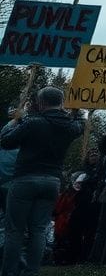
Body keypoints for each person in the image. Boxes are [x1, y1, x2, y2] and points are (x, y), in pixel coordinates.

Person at [0, 87, 85, 276]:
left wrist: (17, 119)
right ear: (61, 103)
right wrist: (77, 111)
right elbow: (81, 125)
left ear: (41, 103)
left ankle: (9, 272)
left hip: (25, 179)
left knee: (15, 230)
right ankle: (31, 272)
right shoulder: (69, 126)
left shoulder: (34, 123)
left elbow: (5, 141)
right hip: (52, 181)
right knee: (38, 230)